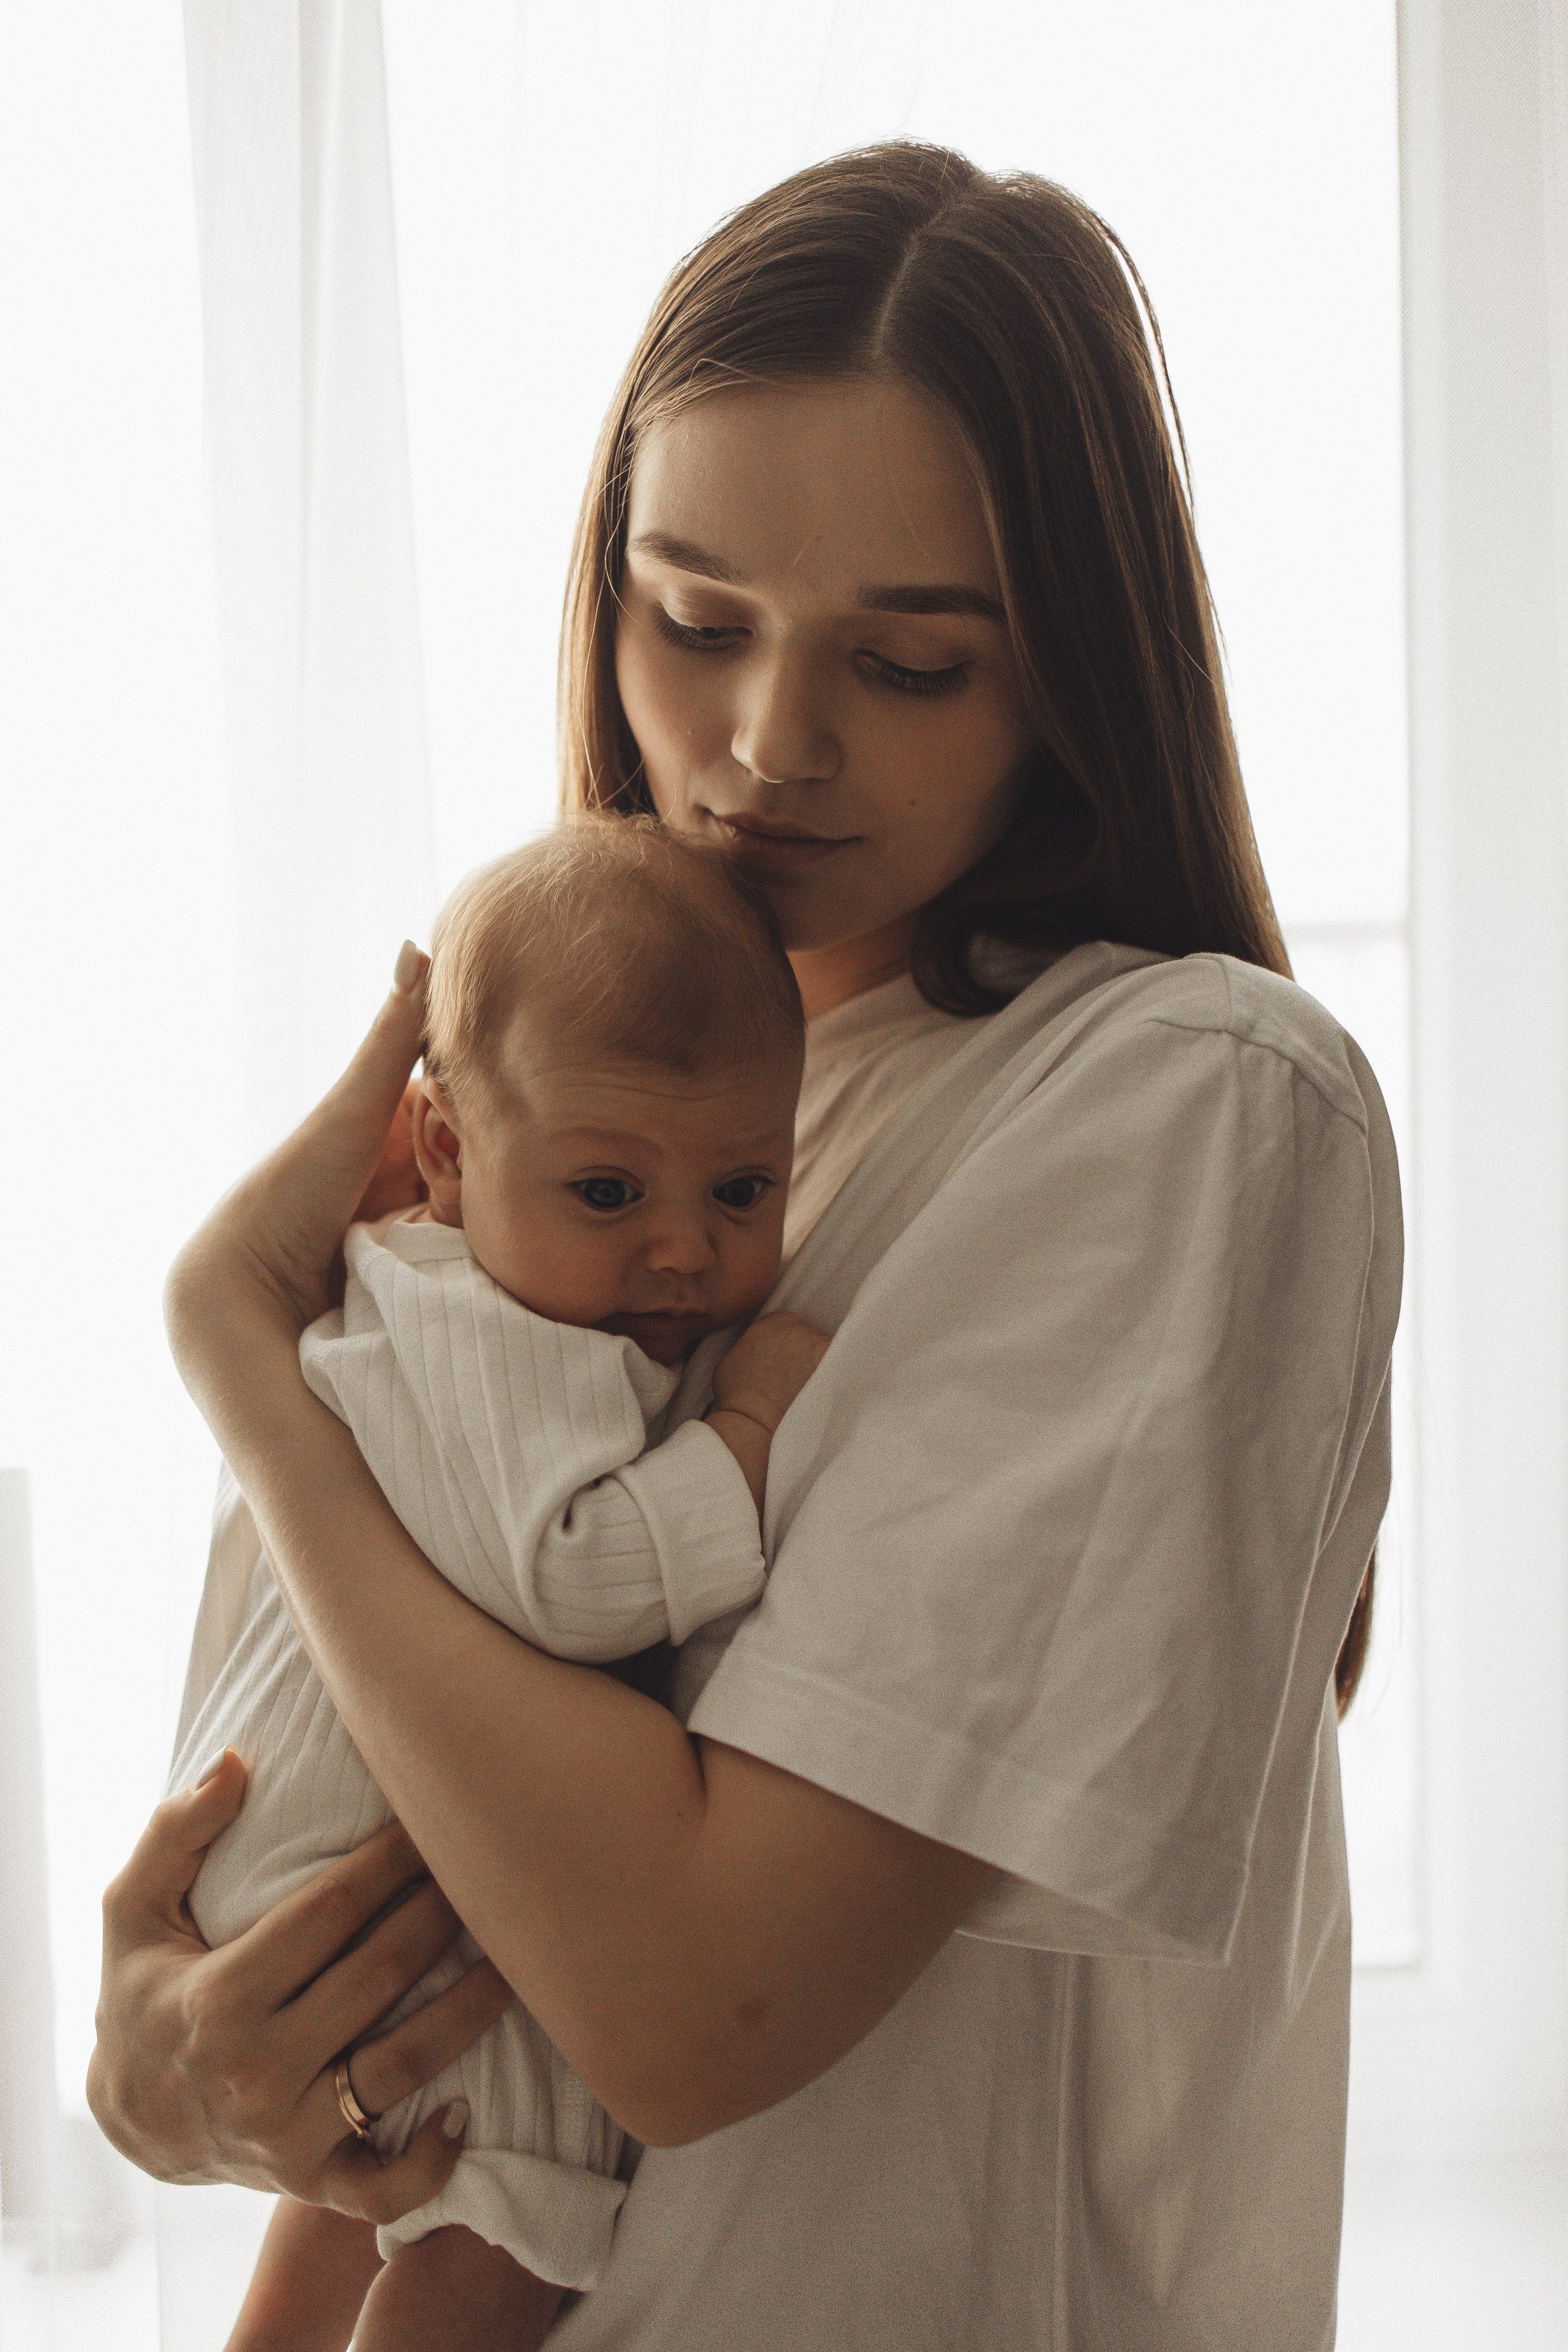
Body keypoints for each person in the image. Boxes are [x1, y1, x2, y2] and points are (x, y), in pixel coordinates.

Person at [88, 143, 1400, 2349]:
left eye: (907, 662)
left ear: (1076, 668)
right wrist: (166, 2062)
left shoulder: (1186, 1098)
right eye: (695, 621)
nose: (768, 747)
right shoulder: (576, 1117)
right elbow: (336, 1779)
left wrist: (238, 1356)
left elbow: (694, 2006)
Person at [174, 824, 829, 2351]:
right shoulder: (482, 1327)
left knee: (363, 2194)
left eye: (743, 1185)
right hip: (361, 1861)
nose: (683, 1248)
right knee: (501, 2219)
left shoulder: (453, 1285)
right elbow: (577, 1577)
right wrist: (744, 1428)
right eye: (607, 1191)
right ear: (449, 1149)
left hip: (324, 1848)